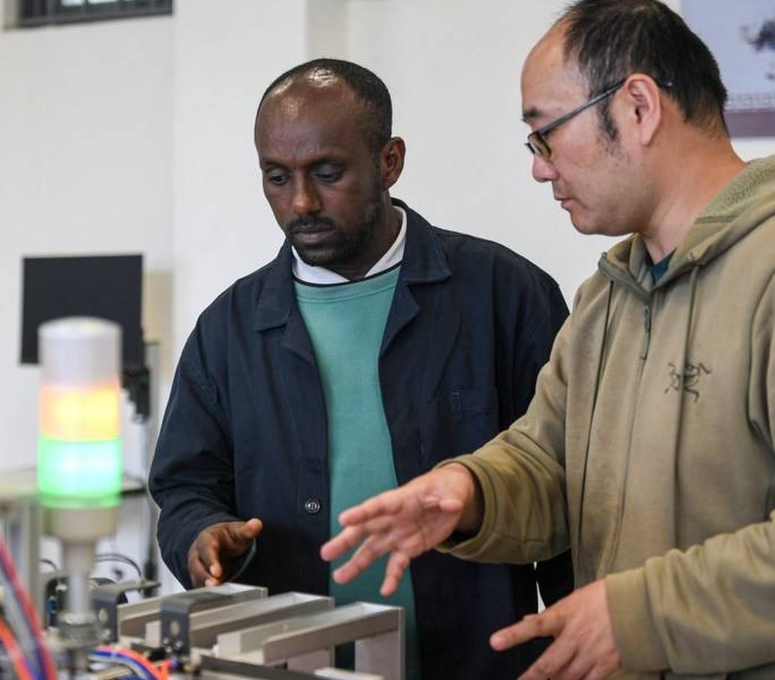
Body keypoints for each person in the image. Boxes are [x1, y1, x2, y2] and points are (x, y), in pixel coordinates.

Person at [321, 2, 775, 679]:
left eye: (546, 135)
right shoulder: (609, 295)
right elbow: (549, 459)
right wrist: (466, 490)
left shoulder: (764, 272)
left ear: (639, 108)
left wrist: (639, 615)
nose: (539, 168)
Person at [149, 58, 572, 680]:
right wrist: (203, 537)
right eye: (276, 177)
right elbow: (185, 488)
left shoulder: (503, 295)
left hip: (476, 661)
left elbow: (567, 482)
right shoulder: (229, 329)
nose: (301, 202)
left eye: (327, 172)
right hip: (290, 661)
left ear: (389, 161)